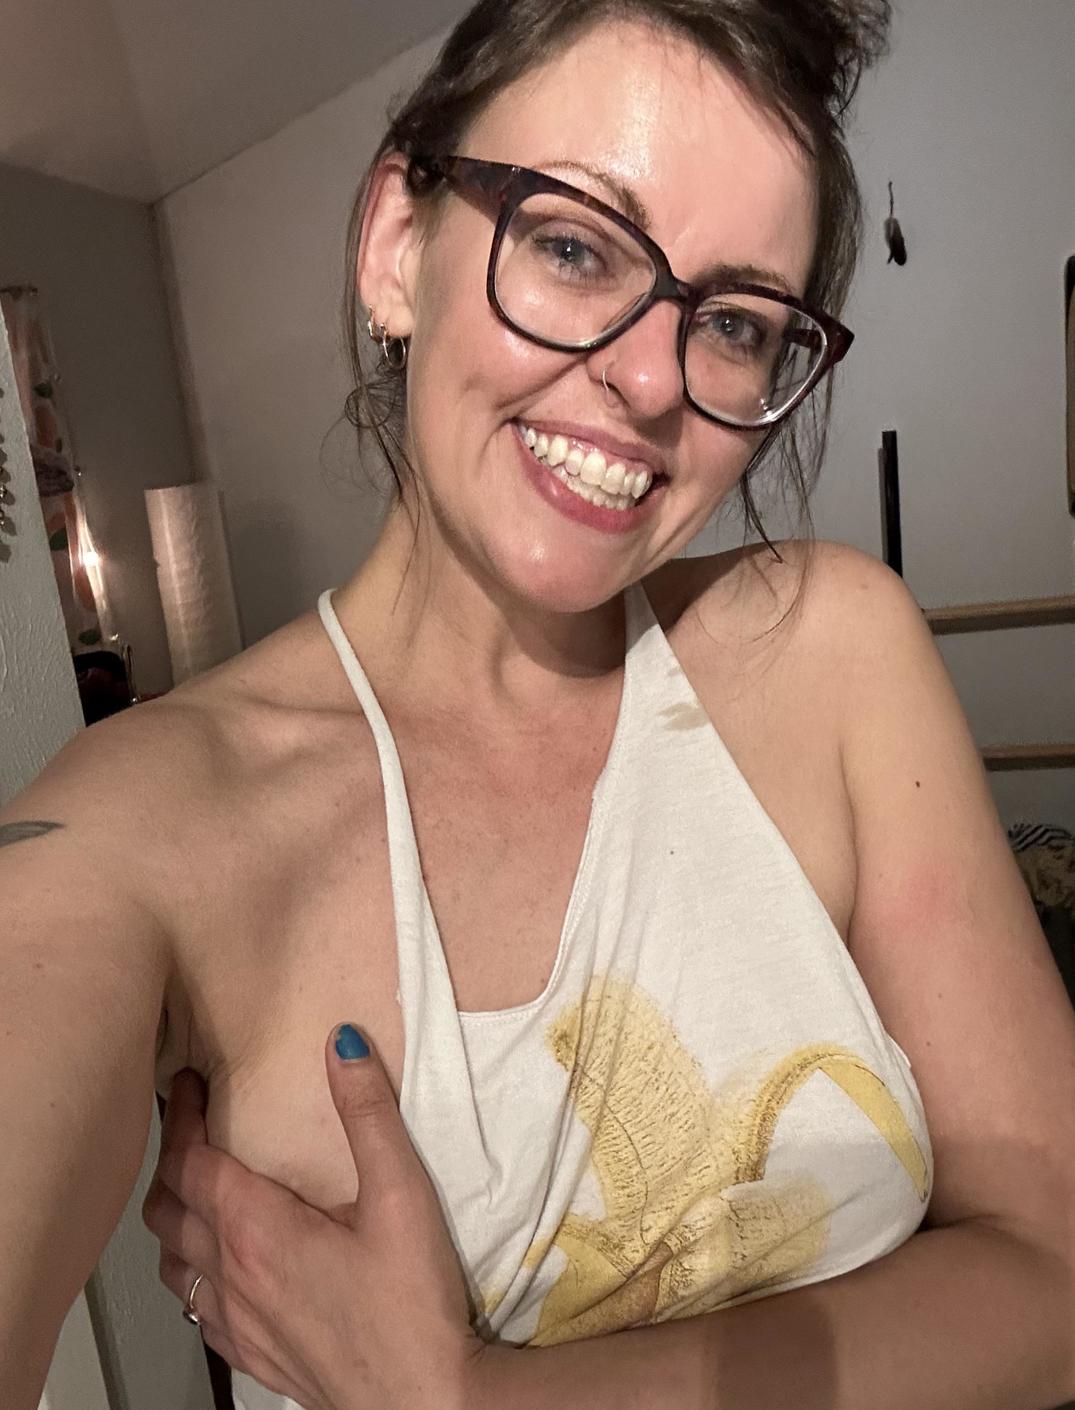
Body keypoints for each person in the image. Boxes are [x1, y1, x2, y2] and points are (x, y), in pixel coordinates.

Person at [3, 0, 1074, 1407]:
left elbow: (1057, 1275)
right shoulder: (148, 831)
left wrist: (468, 1393)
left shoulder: (836, 652)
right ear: (398, 244)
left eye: (733, 322)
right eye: (575, 247)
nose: (651, 380)